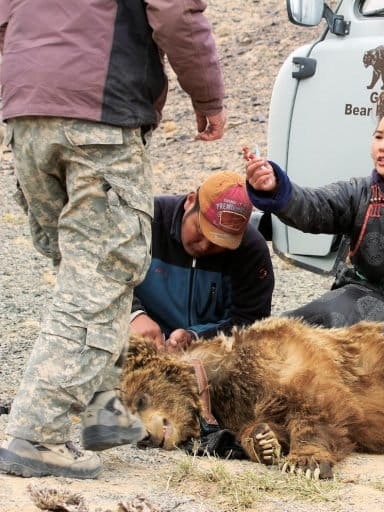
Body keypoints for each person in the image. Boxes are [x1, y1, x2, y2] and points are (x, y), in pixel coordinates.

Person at [0, 0, 226, 479]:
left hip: (26, 115)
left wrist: (32, 84)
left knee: (89, 272)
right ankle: (36, 433)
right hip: (99, 118)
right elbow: (175, 14)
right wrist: (208, 100)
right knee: (99, 277)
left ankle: (105, 413)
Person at [245, 102, 384, 350]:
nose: (383, 145)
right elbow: (315, 206)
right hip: (360, 296)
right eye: (379, 136)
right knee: (285, 334)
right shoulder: (359, 193)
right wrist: (274, 186)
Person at [130, 171, 274, 351]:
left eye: (218, 242)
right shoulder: (145, 221)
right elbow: (100, 273)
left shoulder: (250, 251)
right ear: (190, 201)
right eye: (200, 230)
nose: (204, 246)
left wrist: (195, 338)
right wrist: (133, 314)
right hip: (135, 341)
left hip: (210, 353)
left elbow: (250, 322)